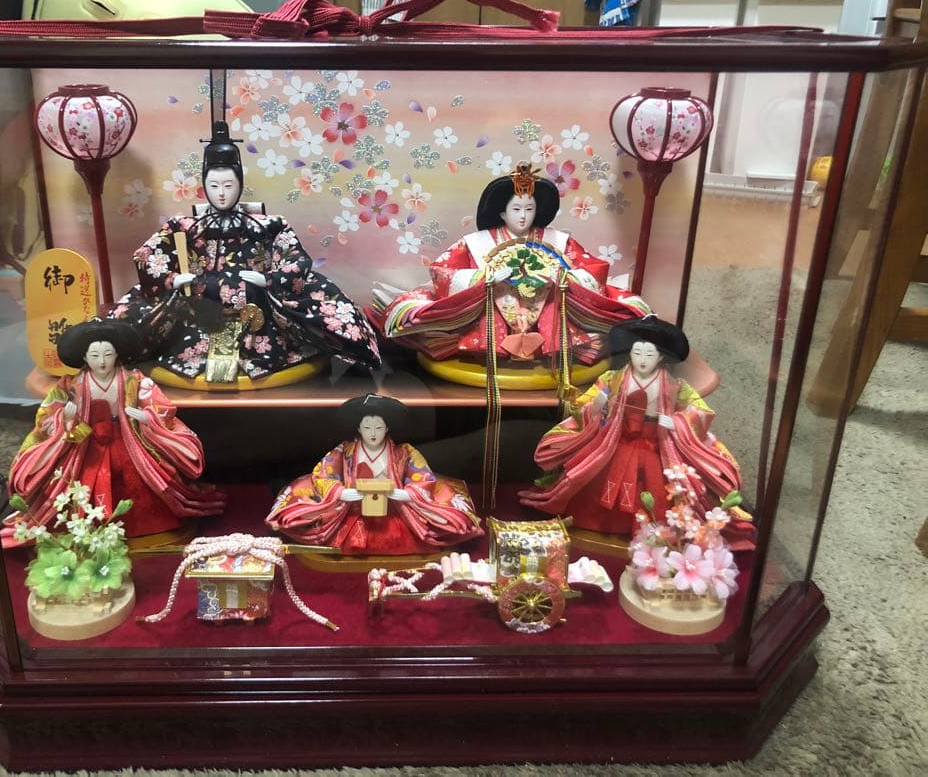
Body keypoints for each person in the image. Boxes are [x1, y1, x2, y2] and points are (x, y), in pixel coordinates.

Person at [108, 121, 380, 383]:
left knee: (326, 303)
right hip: (196, 308)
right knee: (130, 320)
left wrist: (269, 279)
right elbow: (146, 254)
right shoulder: (183, 226)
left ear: (239, 184)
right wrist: (173, 279)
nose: (221, 194)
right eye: (214, 186)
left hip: (257, 304)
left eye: (228, 186)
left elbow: (295, 258)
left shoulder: (268, 224)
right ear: (204, 186)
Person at [369, 162, 648, 369]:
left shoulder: (558, 241)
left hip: (549, 314)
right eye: (516, 209)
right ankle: (493, 347)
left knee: (574, 303)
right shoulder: (476, 242)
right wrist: (483, 278)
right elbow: (443, 272)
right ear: (502, 212)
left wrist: (561, 276)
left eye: (529, 209)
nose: (523, 216)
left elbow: (593, 270)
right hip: (491, 313)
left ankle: (549, 346)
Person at [518, 317, 746, 538]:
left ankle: (652, 530)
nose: (642, 360)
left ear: (660, 357)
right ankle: (598, 523)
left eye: (649, 354)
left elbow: (700, 410)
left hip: (655, 444)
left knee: (655, 489)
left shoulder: (673, 385)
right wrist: (597, 406)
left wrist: (677, 422)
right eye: (637, 353)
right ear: (629, 354)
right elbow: (585, 403)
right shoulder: (613, 378)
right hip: (616, 440)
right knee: (595, 483)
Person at [4, 319, 224, 547]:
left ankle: (144, 526)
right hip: (86, 443)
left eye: (108, 354)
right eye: (95, 355)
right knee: (81, 485)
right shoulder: (71, 386)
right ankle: (86, 529)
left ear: (117, 354)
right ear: (84, 357)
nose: (102, 362)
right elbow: (47, 415)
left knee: (140, 483)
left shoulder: (133, 380)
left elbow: (160, 405)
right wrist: (65, 418)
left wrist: (147, 417)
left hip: (127, 439)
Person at [266, 394, 482, 555]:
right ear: (359, 429)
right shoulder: (345, 450)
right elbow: (323, 475)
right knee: (298, 508)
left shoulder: (404, 452)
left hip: (395, 511)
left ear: (386, 428)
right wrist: (341, 493)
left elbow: (424, 478)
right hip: (351, 511)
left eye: (378, 428)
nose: (372, 433)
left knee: (450, 515)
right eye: (367, 428)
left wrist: (404, 494)